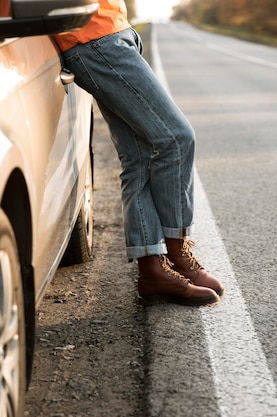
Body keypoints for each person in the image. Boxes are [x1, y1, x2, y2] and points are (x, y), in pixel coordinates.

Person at [52, 0, 224, 306]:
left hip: (110, 30)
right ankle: (178, 253)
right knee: (177, 138)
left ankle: (153, 270)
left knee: (139, 159)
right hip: (92, 37)